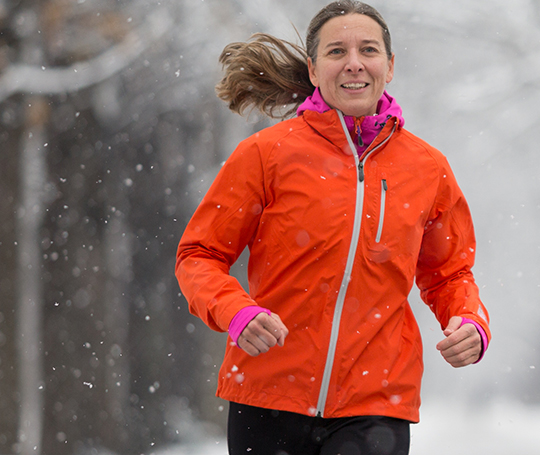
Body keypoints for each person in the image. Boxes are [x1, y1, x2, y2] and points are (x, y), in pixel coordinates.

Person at [177, 2, 490, 453]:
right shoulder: (266, 155)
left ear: (390, 65)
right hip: (268, 393)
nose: (354, 63)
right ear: (313, 67)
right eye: (336, 50)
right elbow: (199, 254)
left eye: (368, 49)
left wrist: (470, 322)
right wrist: (235, 312)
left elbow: (450, 272)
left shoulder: (427, 169)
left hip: (375, 403)